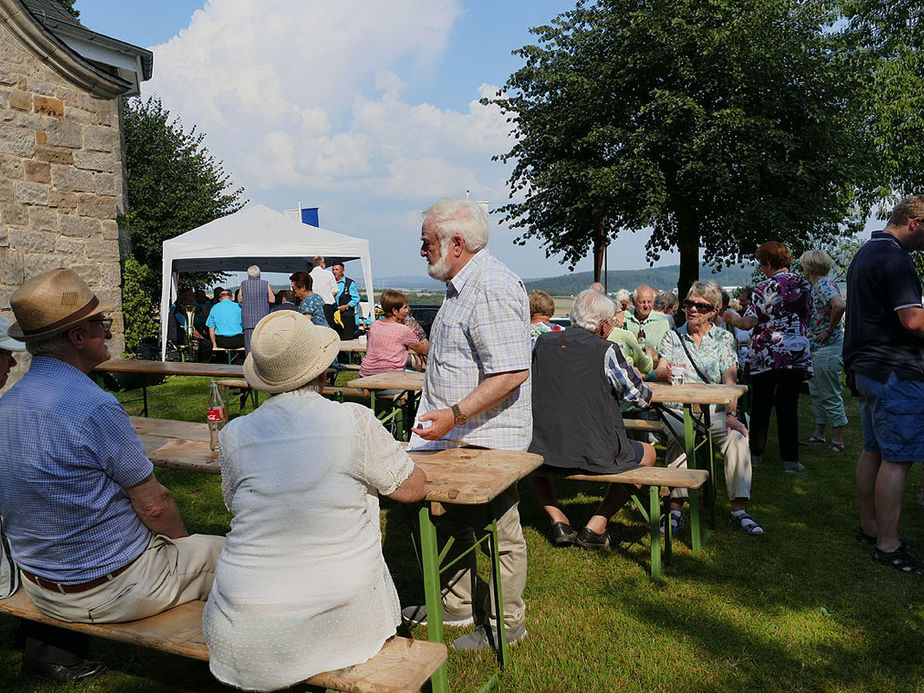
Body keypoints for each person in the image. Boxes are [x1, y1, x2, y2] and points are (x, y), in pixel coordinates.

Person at [0, 269, 223, 680]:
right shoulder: (94, 406)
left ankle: (48, 651)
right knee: (234, 557)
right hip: (109, 590)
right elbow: (155, 505)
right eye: (101, 324)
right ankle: (262, 663)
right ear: (77, 338)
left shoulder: (7, 404)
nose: (108, 332)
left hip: (40, 586)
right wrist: (180, 552)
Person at [203, 311, 426, 690]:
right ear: (323, 372)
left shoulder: (234, 434)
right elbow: (410, 488)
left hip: (241, 619)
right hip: (341, 613)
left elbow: (233, 505)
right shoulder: (354, 421)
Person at [402, 198, 531, 652]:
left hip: (485, 439)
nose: (422, 251)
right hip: (459, 437)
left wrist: (455, 415)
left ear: (456, 243)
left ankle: (505, 624)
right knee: (452, 520)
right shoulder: (463, 284)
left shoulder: (491, 286)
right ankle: (456, 606)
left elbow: (512, 371)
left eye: (426, 243)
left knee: (501, 531)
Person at [529, 290, 656, 549]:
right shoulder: (607, 350)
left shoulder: (542, 344)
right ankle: (596, 525)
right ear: (602, 324)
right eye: (611, 321)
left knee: (530, 457)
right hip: (596, 451)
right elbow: (641, 398)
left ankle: (558, 519)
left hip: (546, 447)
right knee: (649, 454)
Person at [843, 195, 924, 576]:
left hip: (868, 368)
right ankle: (888, 545)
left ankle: (870, 527)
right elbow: (912, 321)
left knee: (873, 449)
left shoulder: (865, 253)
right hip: (894, 370)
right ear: (915, 222)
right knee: (898, 458)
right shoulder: (896, 258)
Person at [656, 281, 763, 535]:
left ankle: (739, 510)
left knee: (737, 437)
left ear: (714, 311)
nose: (692, 310)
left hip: (715, 412)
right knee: (682, 436)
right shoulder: (673, 336)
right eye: (689, 304)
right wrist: (663, 371)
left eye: (700, 306)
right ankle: (675, 509)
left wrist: (731, 415)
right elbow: (660, 368)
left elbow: (730, 381)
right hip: (677, 410)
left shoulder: (724, 338)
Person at [724, 242, 812, 472]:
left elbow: (749, 322)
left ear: (768, 263)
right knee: (788, 405)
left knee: (761, 404)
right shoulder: (804, 284)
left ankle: (755, 456)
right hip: (796, 351)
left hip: (768, 352)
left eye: (761, 263)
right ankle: (791, 461)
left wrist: (731, 318)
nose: (761, 267)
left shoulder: (764, 287)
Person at [799, 250, 847, 452]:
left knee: (829, 392)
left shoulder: (823, 285)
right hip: (818, 348)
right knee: (817, 392)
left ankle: (837, 439)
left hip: (827, 348)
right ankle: (819, 434)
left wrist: (828, 330)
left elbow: (839, 304)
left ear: (809, 267)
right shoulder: (819, 286)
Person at [359, 290, 428, 377]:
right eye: (405, 308)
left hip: (366, 373)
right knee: (423, 378)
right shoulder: (403, 330)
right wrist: (421, 335)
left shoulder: (374, 325)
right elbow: (424, 350)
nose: (407, 310)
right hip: (390, 376)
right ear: (395, 311)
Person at [607, 302, 655, 376]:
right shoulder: (625, 336)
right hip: (624, 380)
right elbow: (644, 366)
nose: (623, 315)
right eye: (620, 312)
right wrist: (650, 355)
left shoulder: (598, 334)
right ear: (613, 316)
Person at [235, 265, 273, 354]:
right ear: (259, 274)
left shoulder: (243, 284)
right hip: (263, 321)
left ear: (248, 274)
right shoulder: (265, 283)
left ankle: (249, 366)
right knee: (263, 348)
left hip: (248, 321)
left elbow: (240, 299)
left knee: (250, 349)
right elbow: (272, 299)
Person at [625, 285, 670, 351]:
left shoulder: (662, 322)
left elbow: (665, 351)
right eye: (642, 302)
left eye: (649, 302)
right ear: (634, 302)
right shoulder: (625, 318)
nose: (646, 306)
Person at [331, 261, 360, 340]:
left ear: (342, 271)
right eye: (333, 270)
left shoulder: (349, 283)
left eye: (337, 270)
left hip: (347, 317)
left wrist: (347, 306)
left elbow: (356, 298)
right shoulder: (331, 282)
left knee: (347, 340)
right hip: (334, 317)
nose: (334, 272)